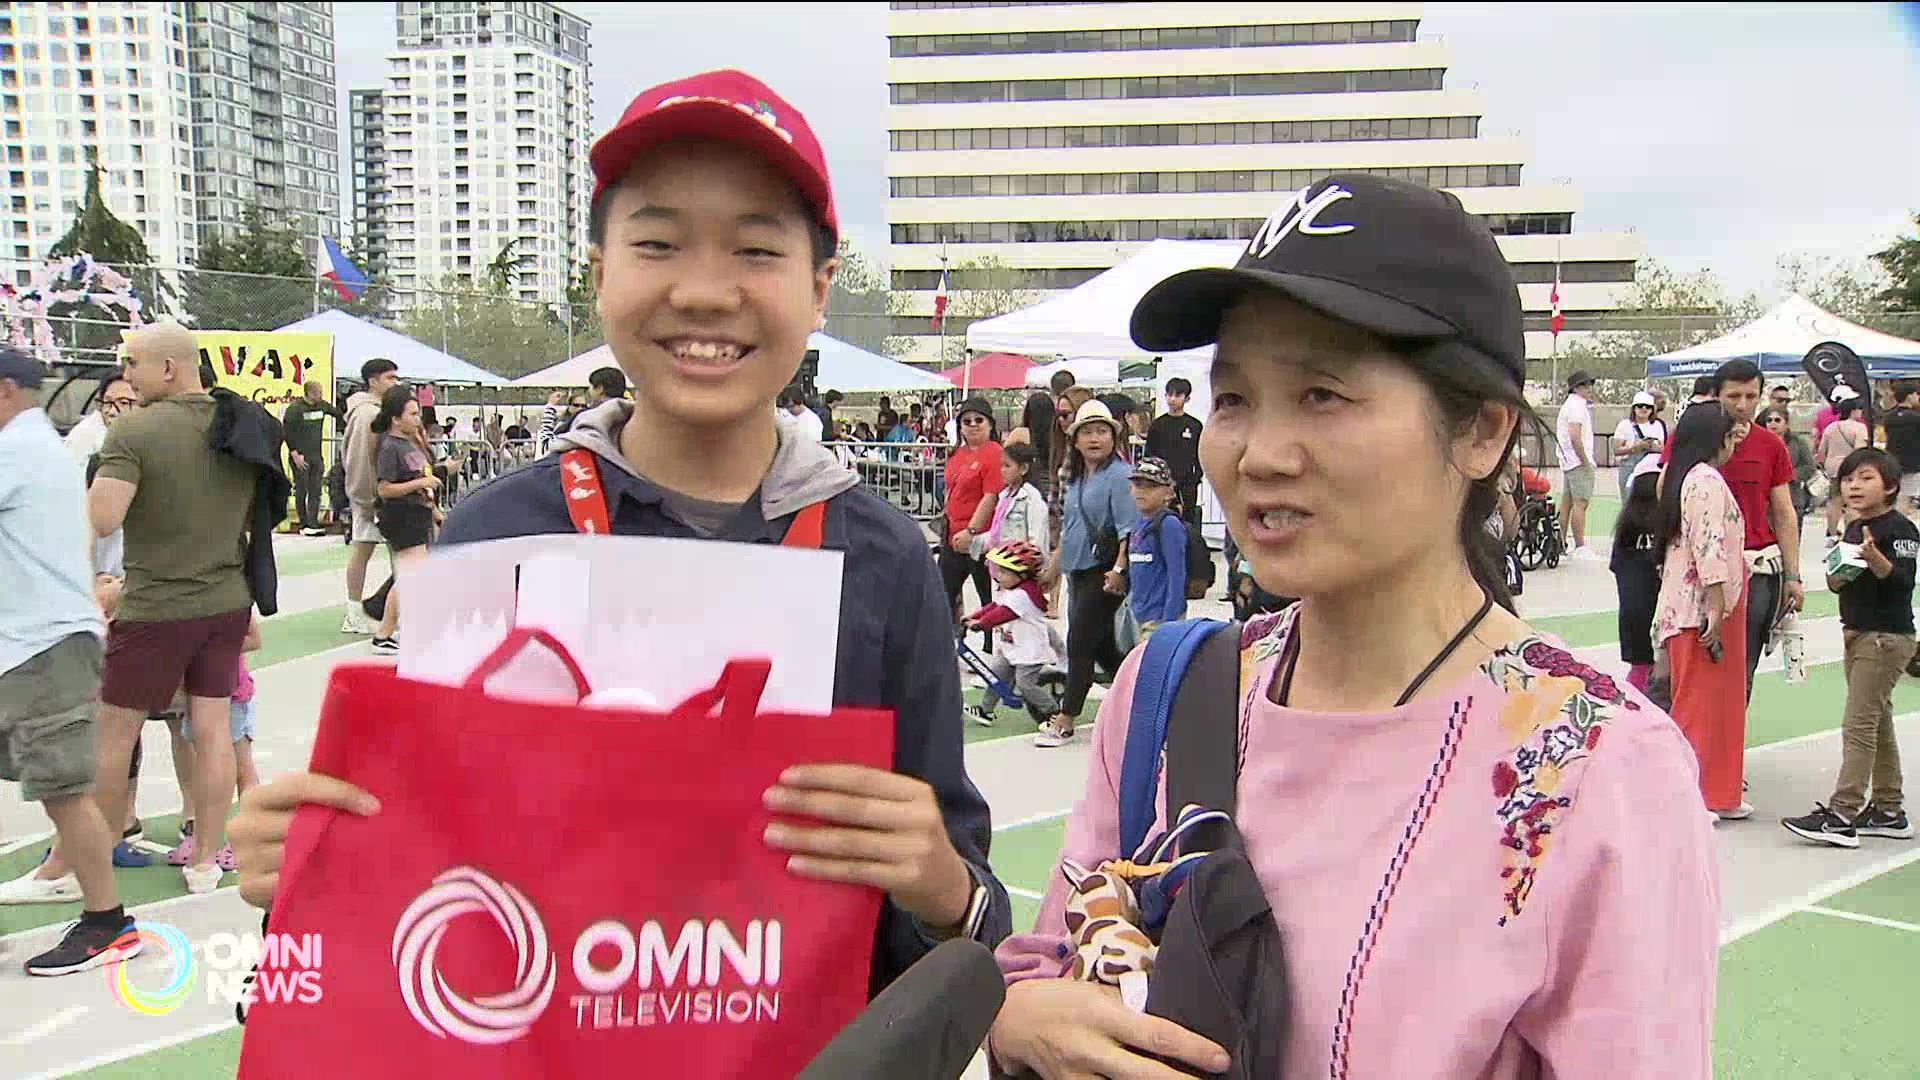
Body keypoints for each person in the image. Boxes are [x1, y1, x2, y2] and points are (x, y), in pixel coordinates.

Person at [229, 68, 1010, 984]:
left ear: (821, 287)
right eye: (659, 244)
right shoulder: (498, 534)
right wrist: (312, 871)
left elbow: (967, 907)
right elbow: (425, 864)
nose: (706, 292)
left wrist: (944, 888)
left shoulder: (881, 556)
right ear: (600, 274)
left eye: (758, 252)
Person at [991, 173, 1716, 1079]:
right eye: (1234, 399)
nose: (1260, 454)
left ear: (1482, 434)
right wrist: (1020, 1020)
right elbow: (1051, 958)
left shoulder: (1602, 770)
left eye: (1323, 395)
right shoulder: (1166, 689)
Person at [14, 323, 254, 905]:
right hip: (226, 598)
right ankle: (205, 858)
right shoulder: (240, 424)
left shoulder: (137, 432)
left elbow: (104, 518)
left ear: (168, 368)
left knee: (110, 735)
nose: (128, 377)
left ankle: (68, 865)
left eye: (135, 365)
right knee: (213, 730)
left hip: (155, 605)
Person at [0, 346, 137, 974]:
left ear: (5, 392)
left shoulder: (19, 452)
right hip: (32, 643)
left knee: (63, 791)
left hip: (41, 647)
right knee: (61, 788)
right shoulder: (43, 447)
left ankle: (106, 923)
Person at [1782, 448, 1916, 847]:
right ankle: (1889, 810)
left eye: (1866, 478)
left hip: (1885, 637)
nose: (1854, 486)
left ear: (1890, 486)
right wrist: (1838, 575)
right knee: (1878, 722)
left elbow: (1903, 582)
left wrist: (1875, 558)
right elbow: (1842, 581)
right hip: (1857, 633)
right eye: (1848, 479)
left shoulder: (1900, 530)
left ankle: (1842, 813)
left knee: (1858, 724)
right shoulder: (1855, 529)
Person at [1652, 402, 1750, 819]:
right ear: (1718, 440)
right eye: (1730, 438)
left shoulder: (1686, 480)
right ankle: (1690, 794)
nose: (1734, 446)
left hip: (1705, 601)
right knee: (1699, 702)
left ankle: (1718, 791)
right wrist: (1714, 604)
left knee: (1719, 702)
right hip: (1703, 607)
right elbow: (1709, 544)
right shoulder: (1705, 480)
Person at [1694, 358, 1805, 700]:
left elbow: (1784, 513)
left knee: (1742, 668)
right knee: (1697, 664)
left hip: (1756, 570)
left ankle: (1730, 745)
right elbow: (1665, 493)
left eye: (1750, 396)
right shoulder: (1694, 436)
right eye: (1733, 396)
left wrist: (1793, 576)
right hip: (1699, 570)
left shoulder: (1771, 445)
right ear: (1716, 396)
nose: (1742, 406)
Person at [1044, 399, 1136, 749]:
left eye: (1101, 431)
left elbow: (1129, 529)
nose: (1095, 438)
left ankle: (1066, 719)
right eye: (1087, 432)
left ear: (1113, 438)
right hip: (1078, 569)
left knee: (1080, 642)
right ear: (1075, 440)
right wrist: (1057, 565)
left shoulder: (1120, 475)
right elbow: (1069, 526)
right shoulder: (1079, 477)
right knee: (1103, 649)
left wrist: (1119, 569)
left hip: (1104, 572)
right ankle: (1142, 696)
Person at [367, 385, 440, 653]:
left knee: (411, 576)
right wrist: (423, 481)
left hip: (418, 513)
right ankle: (384, 632)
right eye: (411, 414)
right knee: (411, 576)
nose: (417, 418)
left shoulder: (411, 444)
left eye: (418, 413)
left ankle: (389, 630)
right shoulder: (389, 446)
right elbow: (384, 489)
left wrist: (433, 509)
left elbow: (420, 485)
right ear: (396, 418)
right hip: (401, 517)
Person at [961, 540, 1064, 729]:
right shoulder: (1010, 590)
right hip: (1012, 649)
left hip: (1029, 652)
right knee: (994, 676)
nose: (998, 576)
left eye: (1004, 572)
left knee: (1026, 685)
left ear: (1022, 574)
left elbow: (1003, 614)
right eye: (998, 570)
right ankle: (986, 710)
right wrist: (972, 617)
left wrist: (982, 624)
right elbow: (994, 607)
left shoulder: (1023, 595)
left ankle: (1053, 713)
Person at [341, 358, 401, 635]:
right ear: (373, 381)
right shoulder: (366, 414)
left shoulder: (380, 411)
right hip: (372, 497)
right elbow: (359, 460)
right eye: (389, 378)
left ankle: (392, 613)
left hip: (382, 496)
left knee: (392, 555)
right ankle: (354, 612)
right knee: (364, 550)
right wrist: (366, 497)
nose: (395, 383)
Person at [1109, 455, 1187, 647]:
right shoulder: (1137, 526)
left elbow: (1177, 575)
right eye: (1138, 485)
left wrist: (1170, 622)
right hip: (1138, 614)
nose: (1142, 491)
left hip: (1159, 618)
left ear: (1168, 492)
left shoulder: (1169, 525)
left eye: (1151, 486)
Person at [943, 397, 1004, 622]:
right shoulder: (958, 454)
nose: (973, 424)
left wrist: (971, 531)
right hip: (951, 536)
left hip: (980, 538)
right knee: (943, 593)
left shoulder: (995, 453)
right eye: (967, 421)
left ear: (990, 424)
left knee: (986, 599)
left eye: (979, 419)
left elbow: (991, 496)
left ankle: (990, 646)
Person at [1611, 456, 1664, 693]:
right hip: (1662, 613)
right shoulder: (1669, 524)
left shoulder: (1625, 527)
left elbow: (1617, 567)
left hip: (1632, 616)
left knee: (1639, 671)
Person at [1146, 376, 1205, 536]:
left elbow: (1200, 454)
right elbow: (1149, 455)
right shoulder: (1157, 425)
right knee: (1161, 519)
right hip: (1162, 483)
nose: (1172, 399)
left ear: (1187, 398)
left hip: (1187, 484)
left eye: (1177, 395)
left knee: (1187, 522)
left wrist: (1196, 476)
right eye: (1169, 394)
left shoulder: (1194, 425)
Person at [282, 380, 342, 536]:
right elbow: (287, 431)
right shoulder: (295, 409)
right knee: (301, 489)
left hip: (316, 455)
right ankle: (303, 524)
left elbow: (338, 414)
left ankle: (313, 522)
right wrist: (294, 453)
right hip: (301, 456)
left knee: (316, 490)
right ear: (309, 393)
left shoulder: (322, 406)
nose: (320, 396)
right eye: (317, 393)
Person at [1554, 370, 1600, 560]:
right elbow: (1575, 436)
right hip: (1577, 461)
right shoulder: (1577, 407)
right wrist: (1585, 461)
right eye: (1585, 386)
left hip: (1568, 461)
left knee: (1567, 503)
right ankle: (1580, 546)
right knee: (1581, 503)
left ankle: (1559, 544)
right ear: (1576, 388)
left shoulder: (1569, 405)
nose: (1589, 390)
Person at [1819, 397, 1871, 539]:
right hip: (1851, 469)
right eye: (1859, 409)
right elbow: (1860, 450)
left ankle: (1832, 533)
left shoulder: (1831, 427)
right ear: (1853, 411)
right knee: (1852, 502)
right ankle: (1851, 532)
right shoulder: (1859, 428)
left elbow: (1821, 450)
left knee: (1834, 500)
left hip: (1833, 469)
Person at [1759, 406, 1816, 530]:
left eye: (1777, 420)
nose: (1773, 424)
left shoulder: (1798, 442)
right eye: (1769, 420)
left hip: (1793, 497)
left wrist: (1788, 475)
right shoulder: (1759, 442)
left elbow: (1810, 467)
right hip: (1766, 500)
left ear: (1786, 423)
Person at [1612, 390, 1667, 499]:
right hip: (1629, 468)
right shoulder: (1624, 425)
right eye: (1640, 406)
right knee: (1628, 501)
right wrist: (1635, 447)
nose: (1644, 409)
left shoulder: (1657, 425)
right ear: (1634, 408)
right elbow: (1616, 450)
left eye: (1648, 406)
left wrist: (1653, 447)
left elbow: (1663, 449)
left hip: (1651, 468)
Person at [1879, 379, 1920, 517]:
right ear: (1909, 396)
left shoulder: (1889, 417)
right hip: (1912, 463)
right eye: (1916, 394)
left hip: (1891, 460)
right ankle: (1898, 525)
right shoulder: (1916, 418)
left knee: (1894, 496)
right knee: (1905, 497)